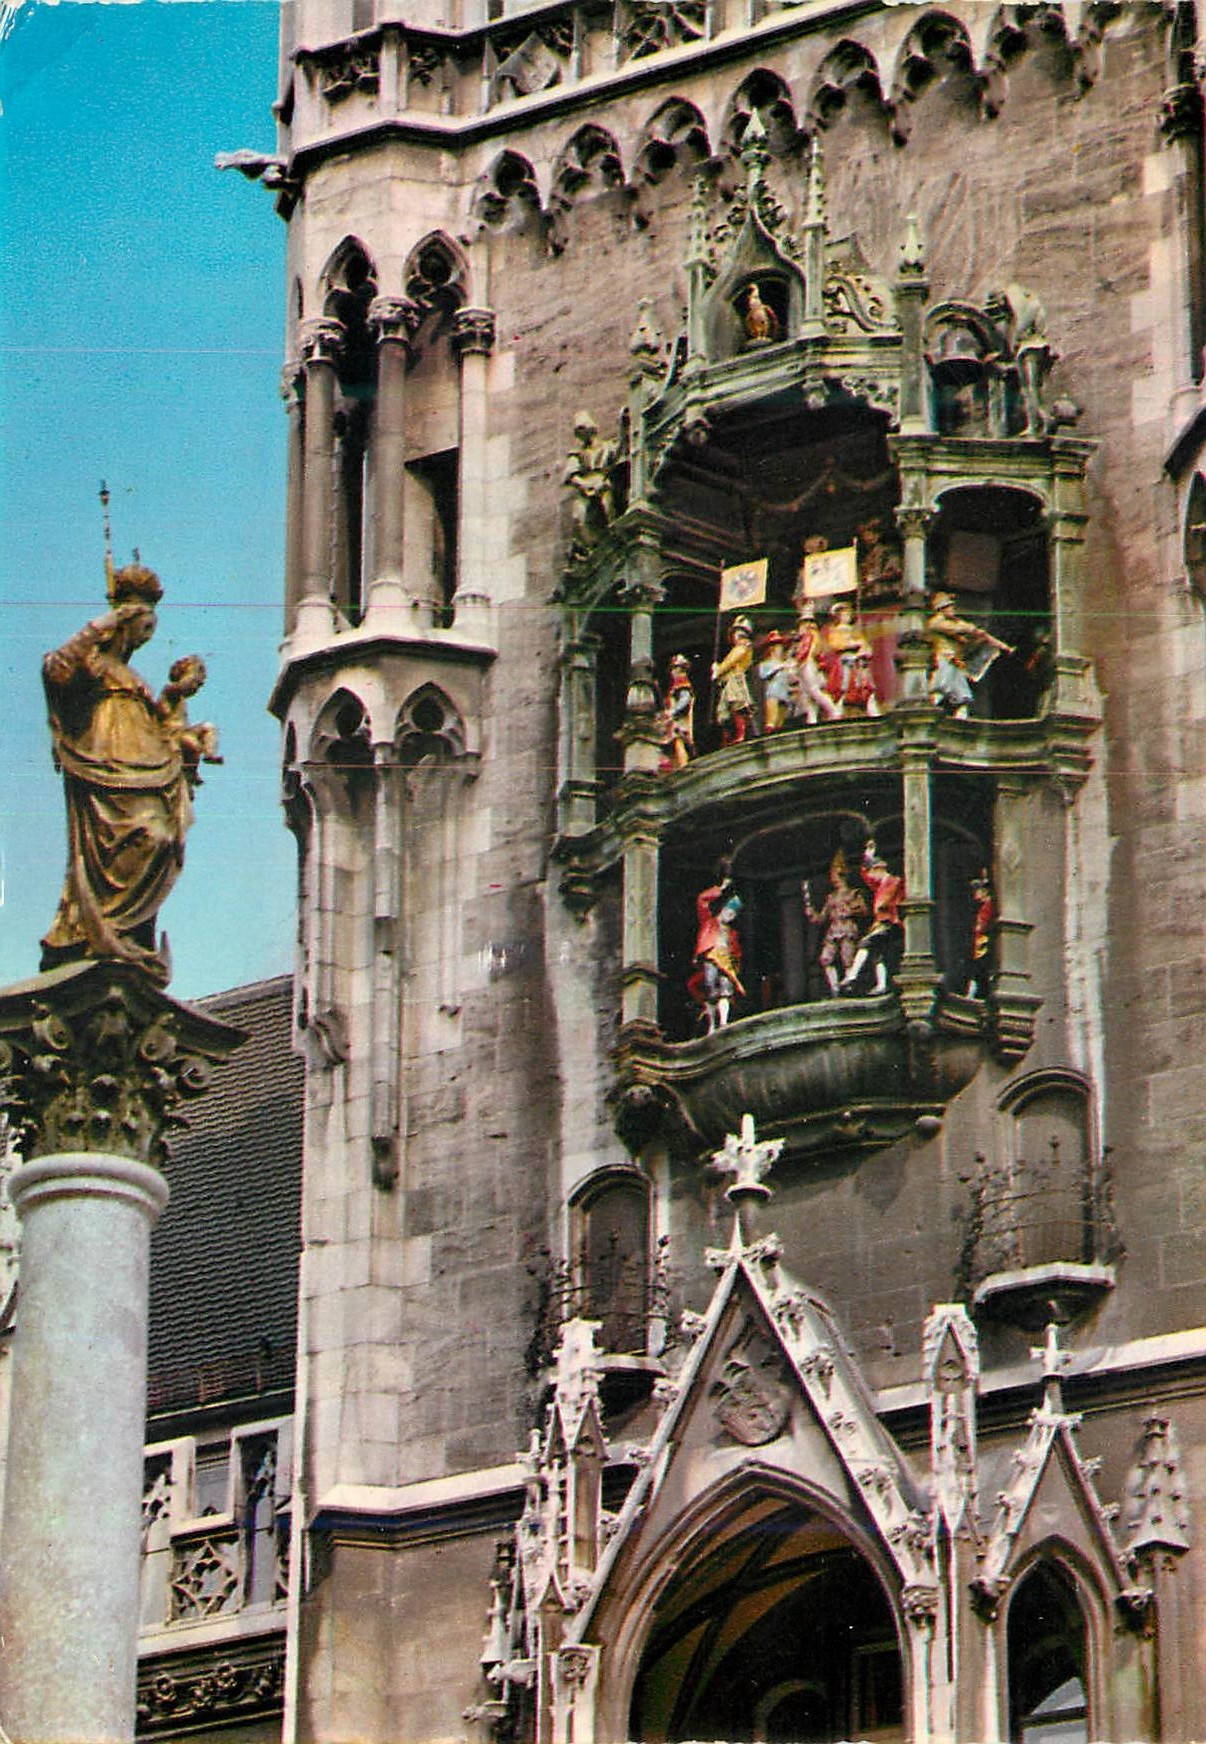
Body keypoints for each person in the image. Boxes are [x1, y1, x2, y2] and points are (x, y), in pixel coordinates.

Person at [41, 561, 211, 982]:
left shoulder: (135, 679)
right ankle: (99, 927)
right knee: (145, 835)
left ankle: (128, 934)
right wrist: (98, 625)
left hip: (143, 764)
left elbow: (163, 729)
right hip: (102, 762)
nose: (142, 640)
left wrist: (180, 712)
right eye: (140, 629)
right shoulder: (92, 663)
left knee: (163, 838)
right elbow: (54, 670)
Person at [927, 591, 1014, 718]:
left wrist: (980, 636)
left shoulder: (953, 623)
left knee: (962, 693)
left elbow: (964, 633)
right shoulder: (936, 622)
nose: (952, 609)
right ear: (941, 609)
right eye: (949, 607)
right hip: (944, 659)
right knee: (940, 686)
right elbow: (953, 628)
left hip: (955, 661)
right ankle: (930, 710)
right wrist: (969, 628)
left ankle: (962, 717)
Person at [840, 839, 904, 995]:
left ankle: (852, 976)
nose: (872, 877)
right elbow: (866, 877)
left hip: (889, 922)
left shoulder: (894, 881)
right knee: (877, 955)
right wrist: (868, 856)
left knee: (865, 943)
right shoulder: (880, 884)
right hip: (881, 922)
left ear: (879, 869)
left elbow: (893, 898)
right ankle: (881, 985)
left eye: (873, 873)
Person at [689, 860, 744, 1033]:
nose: (730, 917)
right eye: (729, 913)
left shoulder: (732, 934)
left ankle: (723, 1023)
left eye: (733, 915)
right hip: (711, 958)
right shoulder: (709, 923)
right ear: (721, 911)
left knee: (725, 991)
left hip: (726, 963)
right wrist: (720, 889)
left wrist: (735, 966)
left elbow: (737, 953)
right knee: (710, 990)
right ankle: (712, 1025)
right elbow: (702, 900)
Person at [803, 851, 868, 995]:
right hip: (833, 931)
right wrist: (812, 913)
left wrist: (850, 911)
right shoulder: (831, 897)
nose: (833, 879)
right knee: (825, 958)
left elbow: (863, 910)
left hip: (847, 928)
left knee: (848, 959)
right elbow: (821, 918)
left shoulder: (853, 894)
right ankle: (835, 988)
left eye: (835, 875)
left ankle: (850, 987)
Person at [157, 656, 223, 787]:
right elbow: (180, 688)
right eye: (194, 683)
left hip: (183, 731)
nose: (195, 688)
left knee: (208, 727)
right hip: (171, 734)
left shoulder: (182, 701)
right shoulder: (170, 691)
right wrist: (192, 674)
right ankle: (191, 773)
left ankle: (210, 754)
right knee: (193, 745)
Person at [563, 411, 617, 552]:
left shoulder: (608, 447)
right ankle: (590, 547)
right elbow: (571, 475)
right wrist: (585, 486)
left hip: (602, 482)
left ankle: (615, 538)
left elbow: (618, 459)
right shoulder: (577, 453)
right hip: (585, 485)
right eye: (579, 431)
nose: (582, 435)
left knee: (607, 507)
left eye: (583, 429)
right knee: (578, 516)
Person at [823, 601, 882, 718]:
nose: (846, 617)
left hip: (858, 662)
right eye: (844, 614)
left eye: (848, 614)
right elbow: (835, 645)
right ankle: (837, 710)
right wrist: (850, 644)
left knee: (867, 686)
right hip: (845, 661)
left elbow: (865, 646)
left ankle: (872, 710)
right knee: (842, 686)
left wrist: (864, 650)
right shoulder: (835, 630)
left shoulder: (855, 631)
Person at [789, 605, 840, 724]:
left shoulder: (809, 636)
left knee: (813, 690)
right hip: (805, 665)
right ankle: (812, 719)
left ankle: (833, 711)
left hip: (808, 664)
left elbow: (804, 652)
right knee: (807, 694)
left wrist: (795, 662)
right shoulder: (805, 638)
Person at [712, 615, 756, 746]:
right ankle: (727, 738)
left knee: (738, 706)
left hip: (734, 679)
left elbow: (731, 662)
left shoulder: (743, 647)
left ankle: (740, 734)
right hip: (727, 682)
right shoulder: (737, 648)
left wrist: (718, 669)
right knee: (723, 712)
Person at [659, 654, 696, 770]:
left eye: (674, 669)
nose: (672, 672)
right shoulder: (677, 684)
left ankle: (683, 765)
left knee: (678, 741)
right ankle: (679, 765)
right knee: (675, 743)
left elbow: (685, 699)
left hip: (679, 720)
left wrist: (673, 711)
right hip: (675, 720)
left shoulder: (681, 681)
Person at [966, 869, 995, 998]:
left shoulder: (989, 906)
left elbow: (984, 926)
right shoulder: (983, 908)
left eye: (977, 891)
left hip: (985, 944)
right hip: (979, 945)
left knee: (982, 968)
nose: (975, 896)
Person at [757, 630, 793, 733]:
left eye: (780, 647)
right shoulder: (766, 664)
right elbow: (764, 675)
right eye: (777, 647)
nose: (780, 649)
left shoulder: (785, 663)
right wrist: (779, 667)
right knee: (771, 718)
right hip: (773, 691)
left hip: (784, 692)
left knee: (781, 718)